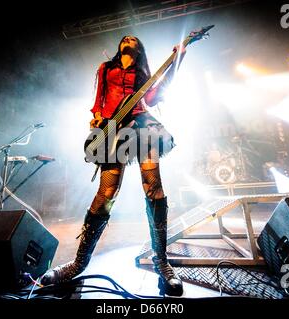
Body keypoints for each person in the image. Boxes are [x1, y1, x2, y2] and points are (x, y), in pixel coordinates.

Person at [42, 35, 186, 296]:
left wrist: (179, 58)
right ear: (120, 46)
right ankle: (78, 264)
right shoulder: (105, 68)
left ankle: (162, 263)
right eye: (125, 38)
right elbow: (98, 102)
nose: (128, 39)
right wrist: (98, 120)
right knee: (107, 192)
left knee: (153, 188)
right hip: (112, 129)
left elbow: (153, 98)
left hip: (143, 127)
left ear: (139, 48)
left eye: (134, 40)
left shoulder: (143, 73)